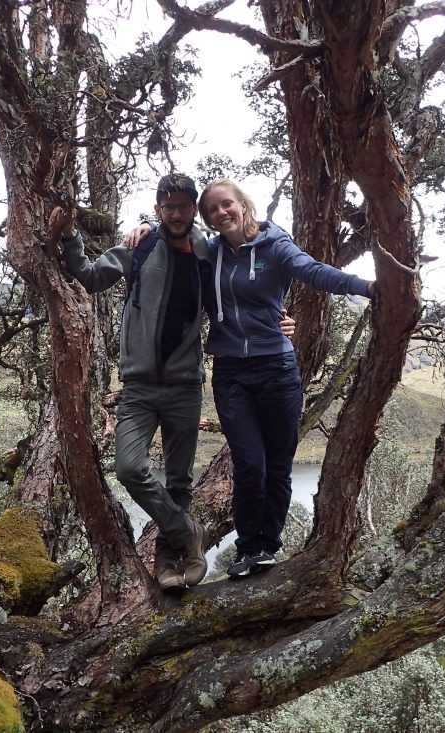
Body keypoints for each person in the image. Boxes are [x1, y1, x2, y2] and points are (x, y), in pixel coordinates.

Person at [54, 174, 294, 591]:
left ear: (193, 210)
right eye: (170, 207)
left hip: (185, 386)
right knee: (129, 468)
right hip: (139, 387)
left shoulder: (208, 251)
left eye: (185, 206)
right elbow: (90, 277)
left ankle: (169, 562)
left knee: (179, 480)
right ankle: (188, 533)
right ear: (158, 208)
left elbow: (242, 289)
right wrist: (70, 234)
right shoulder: (140, 246)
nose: (178, 213)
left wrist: (279, 320)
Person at [197, 178, 374, 578]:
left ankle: (267, 547)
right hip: (230, 372)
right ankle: (246, 548)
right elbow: (171, 240)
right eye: (212, 210)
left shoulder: (275, 245)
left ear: (243, 205)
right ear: (206, 218)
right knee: (249, 465)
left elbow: (313, 271)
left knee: (277, 464)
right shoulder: (208, 253)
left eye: (227, 204)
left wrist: (367, 287)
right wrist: (145, 229)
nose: (221, 213)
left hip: (276, 369)